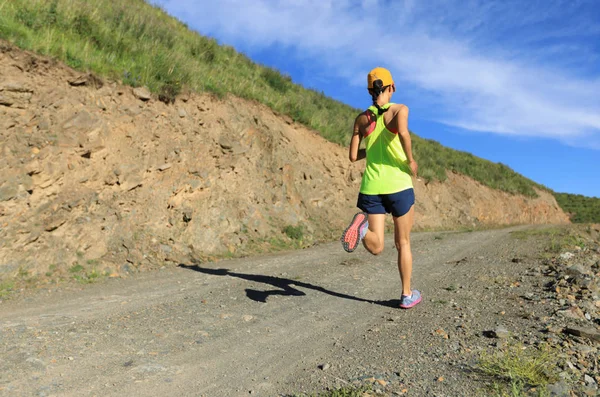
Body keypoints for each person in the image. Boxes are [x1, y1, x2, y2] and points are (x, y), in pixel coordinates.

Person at [340, 67, 421, 309]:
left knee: (377, 246)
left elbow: (353, 156)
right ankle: (407, 294)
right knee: (403, 242)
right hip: (398, 185)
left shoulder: (361, 119)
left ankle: (362, 229)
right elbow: (404, 134)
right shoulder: (400, 110)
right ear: (391, 87)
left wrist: (373, 150)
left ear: (369, 91)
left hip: (372, 187)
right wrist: (411, 160)